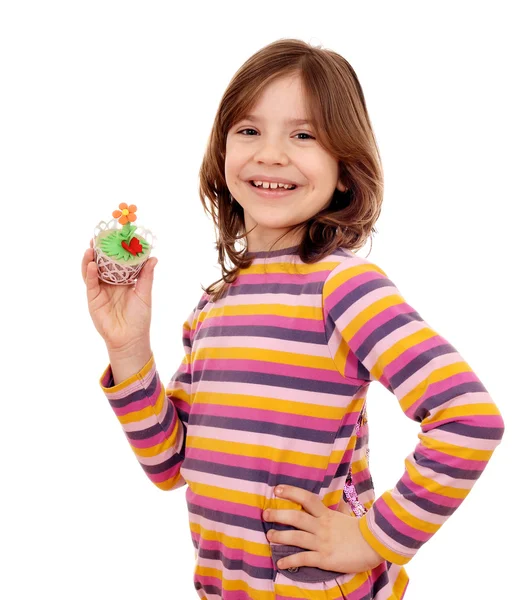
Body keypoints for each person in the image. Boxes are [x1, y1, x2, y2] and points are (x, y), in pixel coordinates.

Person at [81, 38, 505, 600]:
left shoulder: (344, 287)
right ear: (221, 153)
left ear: (345, 171)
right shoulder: (214, 304)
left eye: (303, 135)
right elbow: (169, 464)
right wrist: (129, 349)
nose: (271, 154)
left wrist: (375, 539)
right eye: (249, 131)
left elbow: (470, 419)